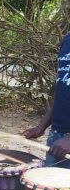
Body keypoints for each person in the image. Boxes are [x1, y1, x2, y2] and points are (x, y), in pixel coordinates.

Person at [23, 31, 70, 169]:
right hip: (57, 137)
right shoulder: (67, 40)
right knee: (53, 188)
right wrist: (41, 126)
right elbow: (63, 89)